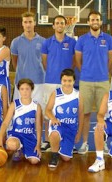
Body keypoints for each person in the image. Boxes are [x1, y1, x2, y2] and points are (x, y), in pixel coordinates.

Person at [75, 11, 112, 154]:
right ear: (88, 22)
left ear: (101, 21)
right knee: (85, 114)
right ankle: (85, 143)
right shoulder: (82, 40)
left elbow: (110, 60)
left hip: (103, 81)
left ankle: (102, 144)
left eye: (97, 19)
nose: (95, 21)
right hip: (85, 81)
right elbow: (78, 60)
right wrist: (85, 71)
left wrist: (104, 72)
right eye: (92, 19)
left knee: (102, 114)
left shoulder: (109, 39)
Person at [40, 15, 77, 152]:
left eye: (62, 23)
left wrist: (67, 76)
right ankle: (47, 140)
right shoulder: (47, 43)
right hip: (50, 81)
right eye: (57, 23)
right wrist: (52, 72)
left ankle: (68, 141)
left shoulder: (72, 42)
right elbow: (45, 62)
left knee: (68, 113)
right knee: (47, 113)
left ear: (65, 25)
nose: (60, 25)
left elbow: (74, 61)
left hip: (66, 83)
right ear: (53, 26)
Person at [0, 78, 42, 164]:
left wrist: (38, 145)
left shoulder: (36, 106)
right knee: (12, 144)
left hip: (29, 136)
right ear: (19, 90)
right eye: (22, 89)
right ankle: (18, 149)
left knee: (34, 161)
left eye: (27, 89)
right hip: (16, 134)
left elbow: (38, 126)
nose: (25, 92)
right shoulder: (14, 104)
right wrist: (0, 139)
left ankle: (23, 149)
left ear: (32, 89)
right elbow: (5, 123)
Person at [45, 69, 84, 168]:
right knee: (54, 134)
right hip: (58, 125)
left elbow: (81, 115)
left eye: (69, 81)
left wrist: (79, 133)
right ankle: (54, 155)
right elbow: (47, 110)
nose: (67, 83)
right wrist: (53, 119)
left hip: (71, 128)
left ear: (74, 81)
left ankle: (61, 144)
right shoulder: (56, 93)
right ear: (61, 81)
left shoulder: (78, 95)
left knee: (66, 158)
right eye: (64, 80)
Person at [10, 12, 45, 106]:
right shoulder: (15, 42)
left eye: (30, 22)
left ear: (35, 23)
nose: (28, 24)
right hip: (21, 81)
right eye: (25, 22)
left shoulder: (43, 41)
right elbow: (14, 62)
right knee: (19, 110)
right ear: (22, 23)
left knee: (39, 111)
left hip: (39, 81)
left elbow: (46, 62)